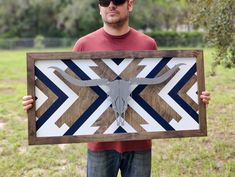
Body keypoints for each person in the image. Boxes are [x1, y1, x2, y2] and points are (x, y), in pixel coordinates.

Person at [22, 0, 211, 176]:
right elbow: (70, 87)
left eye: (118, 0)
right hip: (99, 146)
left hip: (140, 143)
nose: (111, 5)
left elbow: (161, 87)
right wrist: (37, 102)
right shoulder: (84, 44)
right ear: (99, 7)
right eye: (105, 1)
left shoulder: (147, 44)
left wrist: (194, 100)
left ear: (130, 4)